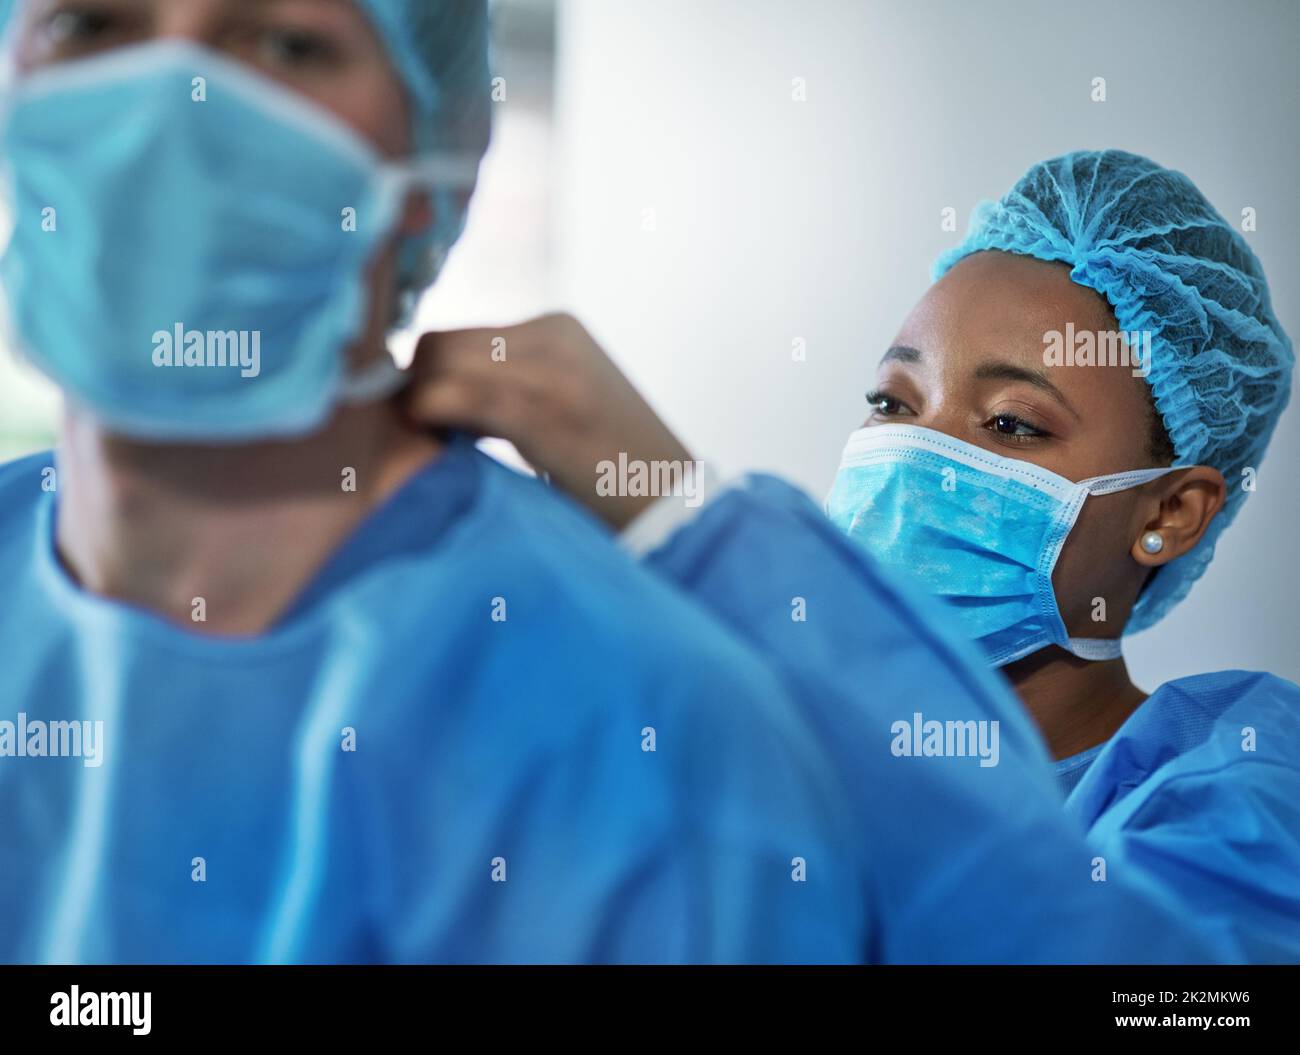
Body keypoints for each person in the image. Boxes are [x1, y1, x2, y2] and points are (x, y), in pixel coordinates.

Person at [0, 0, 879, 964]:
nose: (167, 101)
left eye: (286, 42)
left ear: (434, 159)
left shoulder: (634, 731)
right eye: (90, 26)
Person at [405, 151, 1300, 962]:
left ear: (1171, 511)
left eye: (1012, 424)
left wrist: (691, 523)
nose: (918, 460)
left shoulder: (1241, 782)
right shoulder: (759, 743)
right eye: (894, 401)